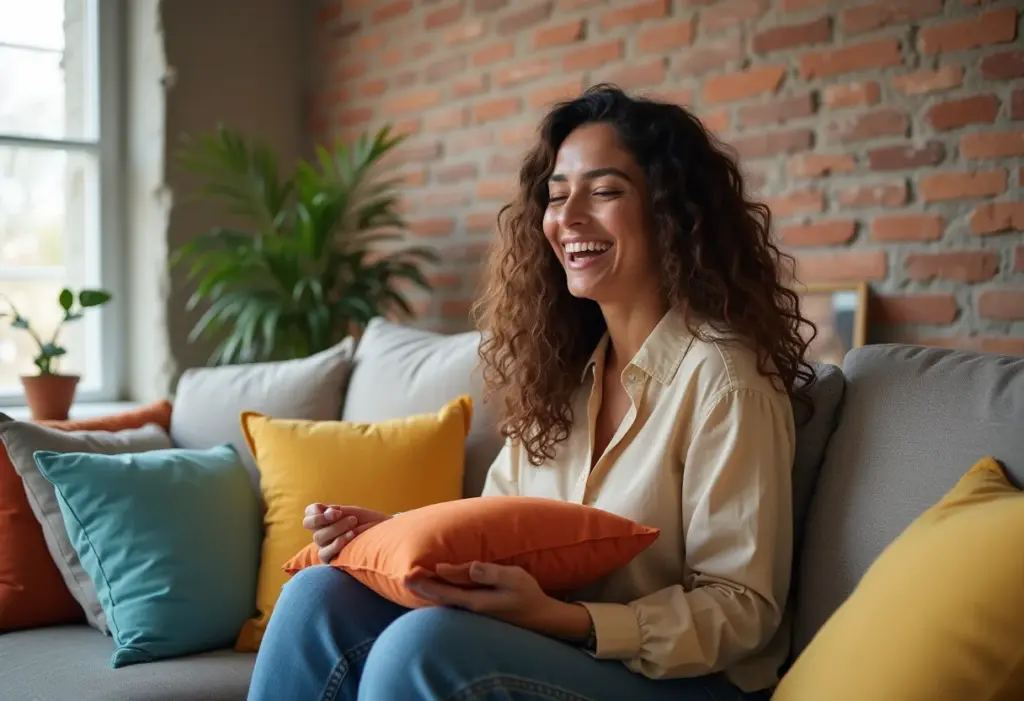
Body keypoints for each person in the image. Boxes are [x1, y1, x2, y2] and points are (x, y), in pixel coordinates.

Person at [247, 84, 816, 701]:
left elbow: (742, 610)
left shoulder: (725, 379)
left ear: (673, 212)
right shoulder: (562, 377)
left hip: (689, 682)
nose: (568, 218)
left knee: (424, 648)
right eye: (556, 195)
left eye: (604, 192)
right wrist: (398, 538)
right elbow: (501, 525)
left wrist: (563, 619)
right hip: (558, 647)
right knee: (318, 594)